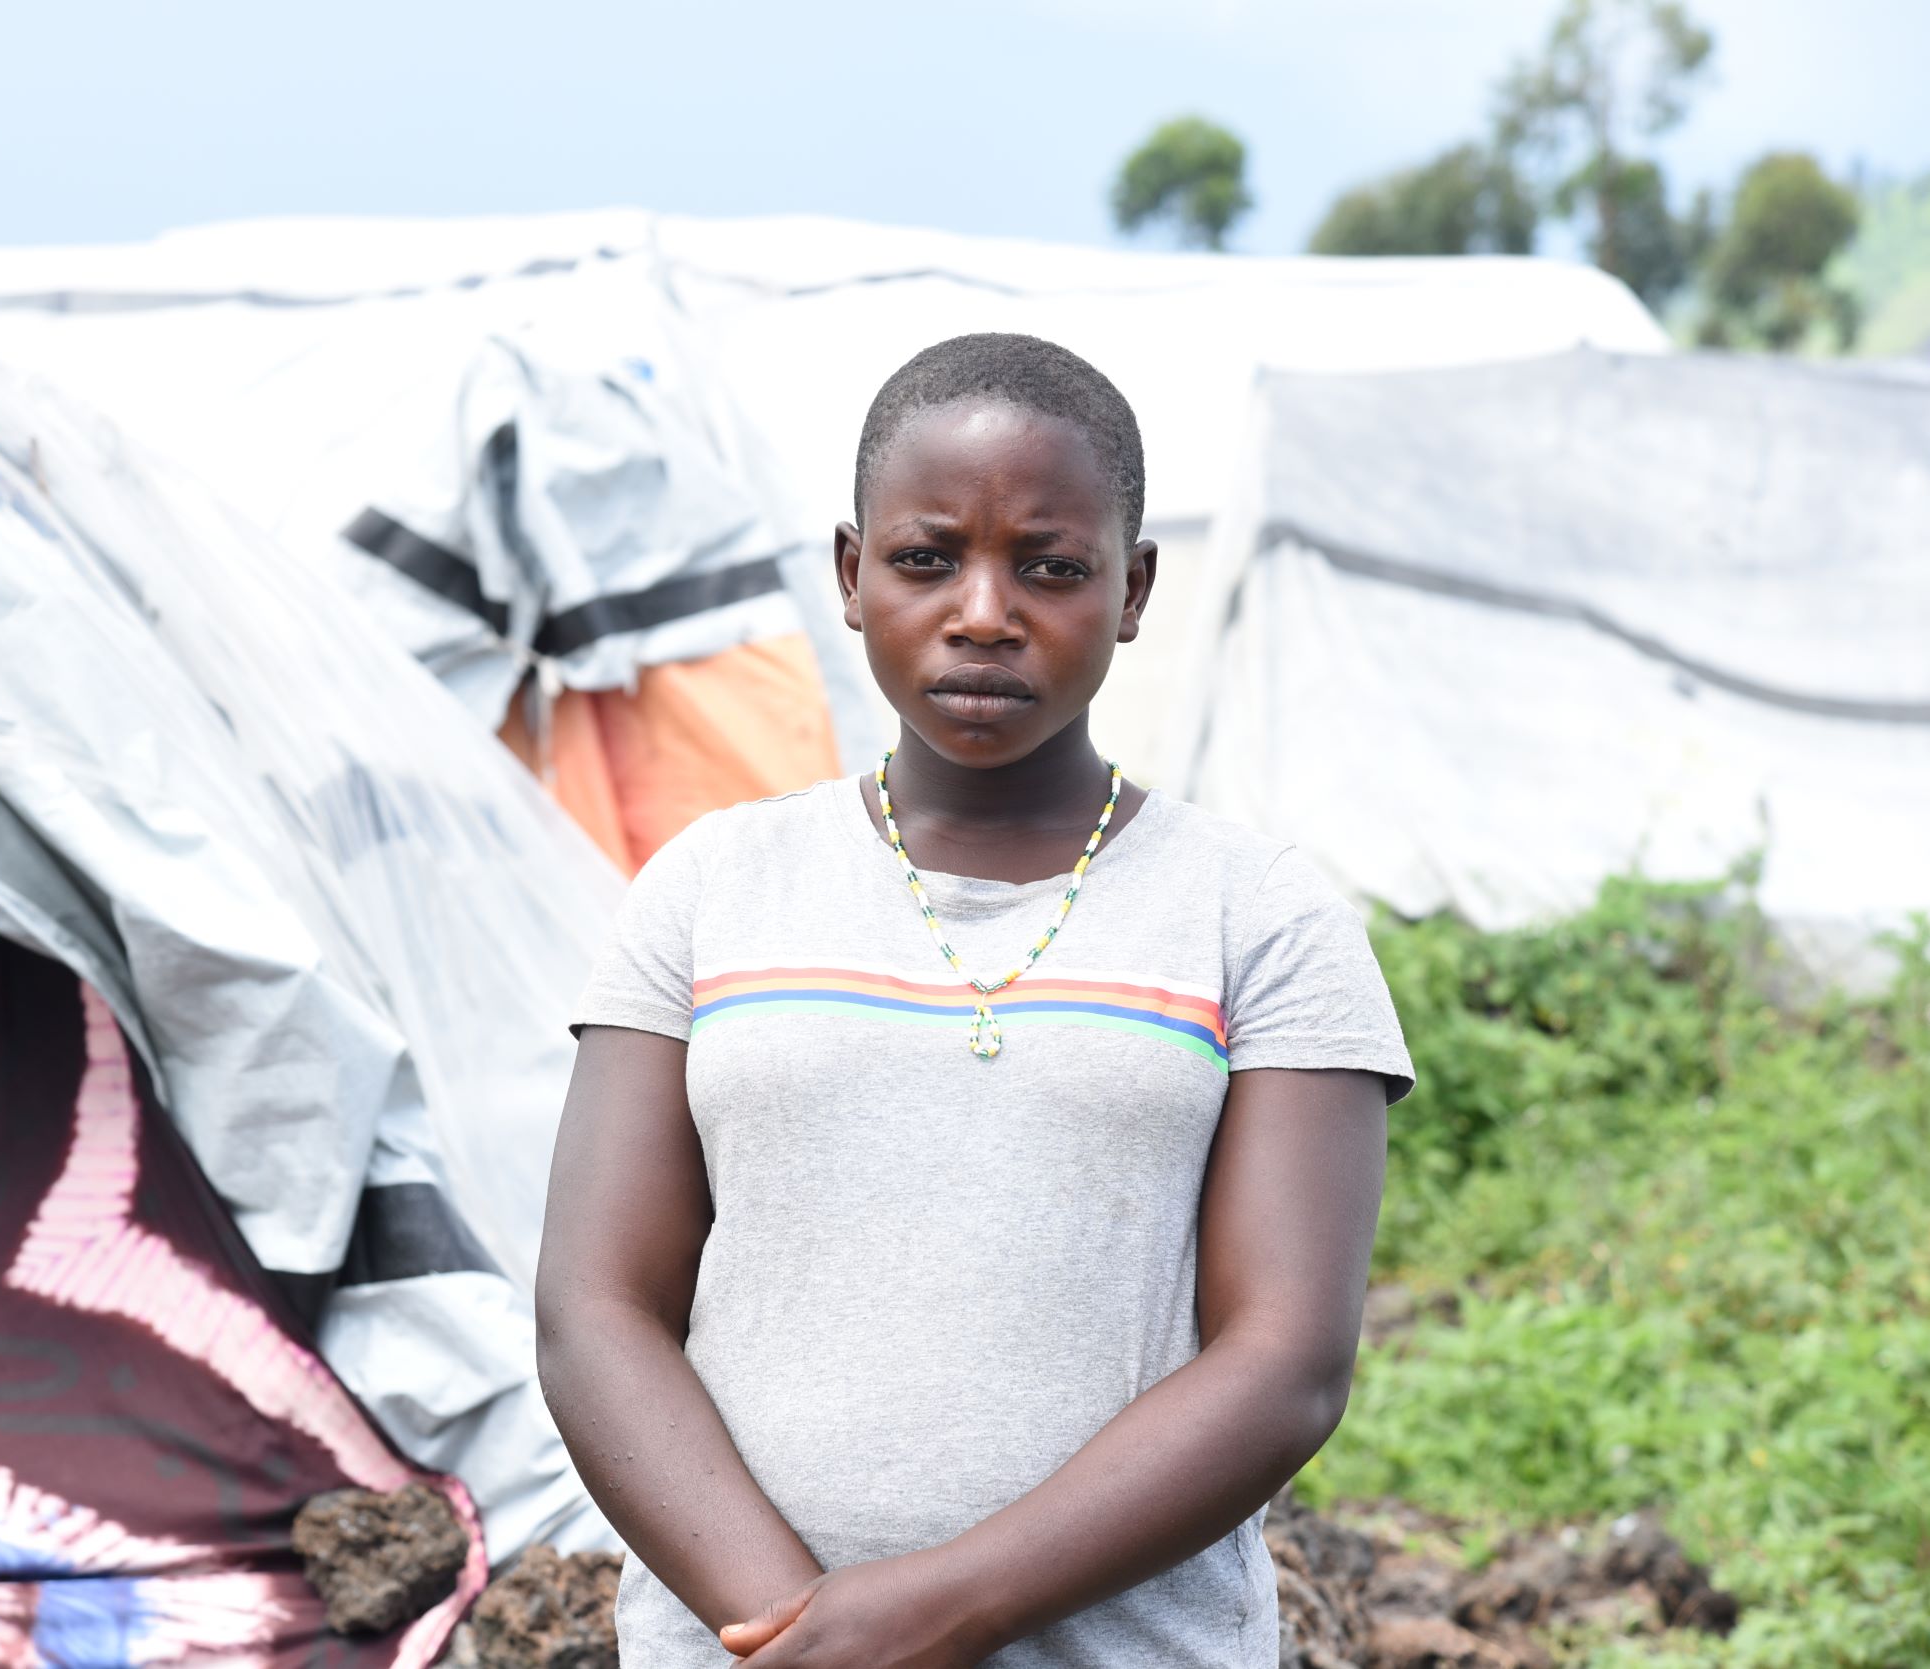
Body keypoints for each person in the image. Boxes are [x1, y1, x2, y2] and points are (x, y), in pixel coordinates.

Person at [534, 333, 1414, 1667]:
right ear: (852, 573)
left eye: (1051, 566)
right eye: (928, 557)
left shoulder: (1258, 917)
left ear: (1132, 587)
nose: (985, 609)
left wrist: (940, 1610)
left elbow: (1285, 1359)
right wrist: (799, 1634)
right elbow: (595, 1309)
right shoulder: (713, 889)